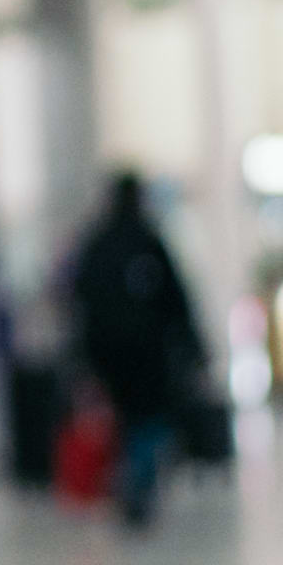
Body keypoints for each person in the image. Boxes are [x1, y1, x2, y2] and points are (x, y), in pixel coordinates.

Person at [69, 173, 204, 530]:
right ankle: (137, 482)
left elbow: (78, 301)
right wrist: (193, 347)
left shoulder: (97, 242)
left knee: (122, 418)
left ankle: (128, 480)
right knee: (148, 418)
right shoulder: (148, 241)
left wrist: (82, 356)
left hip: (107, 354)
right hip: (147, 354)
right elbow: (176, 300)